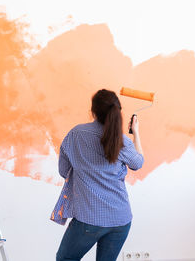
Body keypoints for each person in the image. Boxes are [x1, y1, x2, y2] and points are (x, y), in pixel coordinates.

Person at [54, 89, 144, 261]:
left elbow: (63, 171)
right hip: (120, 219)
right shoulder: (122, 141)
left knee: (65, 258)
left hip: (89, 218)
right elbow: (138, 163)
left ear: (93, 112)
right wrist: (136, 132)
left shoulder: (76, 134)